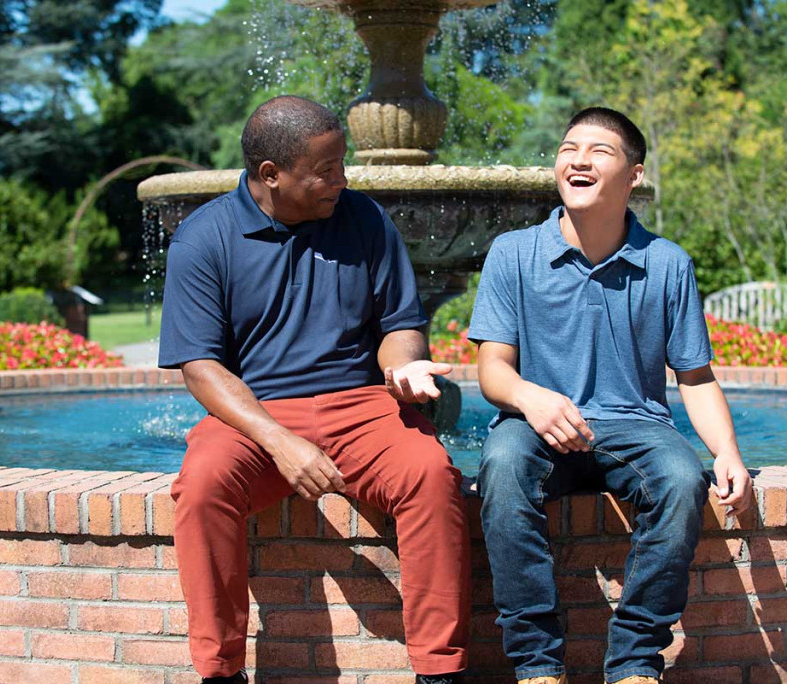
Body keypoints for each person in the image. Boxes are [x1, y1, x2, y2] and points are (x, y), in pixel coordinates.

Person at [159, 95, 470, 684]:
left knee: (431, 475)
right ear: (271, 175)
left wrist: (403, 368)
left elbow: (399, 326)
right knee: (200, 490)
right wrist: (279, 441)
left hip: (362, 405)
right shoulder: (204, 239)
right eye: (326, 169)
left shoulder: (365, 219)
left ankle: (440, 671)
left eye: (342, 164)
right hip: (254, 414)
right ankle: (219, 672)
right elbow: (201, 367)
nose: (342, 179)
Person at [467, 107, 752, 684]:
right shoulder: (514, 253)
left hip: (633, 426)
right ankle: (537, 664)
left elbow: (694, 378)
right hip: (535, 423)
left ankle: (633, 664)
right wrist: (531, 398)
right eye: (569, 147)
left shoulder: (667, 264)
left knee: (679, 477)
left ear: (634, 175)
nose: (578, 158)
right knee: (501, 463)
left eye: (599, 150)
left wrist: (727, 451)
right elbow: (492, 369)